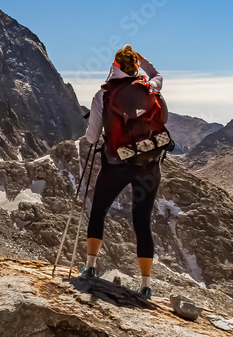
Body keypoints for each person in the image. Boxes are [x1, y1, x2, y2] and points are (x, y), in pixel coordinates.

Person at [79, 44, 163, 300]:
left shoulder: (102, 95)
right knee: (142, 221)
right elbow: (157, 74)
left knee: (99, 210)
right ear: (136, 65)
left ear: (114, 66)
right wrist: (142, 60)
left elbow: (92, 137)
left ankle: (91, 267)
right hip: (148, 163)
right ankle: (145, 284)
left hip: (116, 164)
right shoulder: (150, 87)